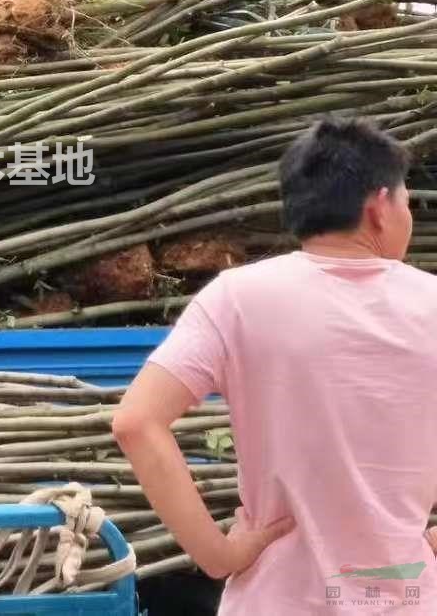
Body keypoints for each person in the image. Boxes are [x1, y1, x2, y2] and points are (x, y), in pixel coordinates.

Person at [113, 117, 437, 613]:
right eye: (405, 199)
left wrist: (217, 554)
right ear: (378, 207)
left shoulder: (239, 297)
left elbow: (136, 422)